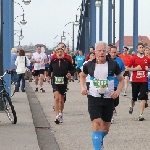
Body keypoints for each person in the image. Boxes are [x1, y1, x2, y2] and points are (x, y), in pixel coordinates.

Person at [80, 41, 124, 150]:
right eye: (99, 51)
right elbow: (82, 76)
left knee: (105, 128)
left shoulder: (113, 65)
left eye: (104, 50)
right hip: (93, 98)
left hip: (108, 99)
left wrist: (117, 91)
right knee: (96, 124)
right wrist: (83, 87)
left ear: (107, 52)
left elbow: (121, 80)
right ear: (95, 52)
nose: (102, 53)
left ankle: (99, 140)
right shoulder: (89, 65)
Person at [47, 47, 74, 124]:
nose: (59, 53)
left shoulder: (67, 61)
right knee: (57, 98)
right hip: (55, 80)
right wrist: (48, 76)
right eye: (58, 52)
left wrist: (70, 74)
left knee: (62, 100)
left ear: (63, 53)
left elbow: (72, 69)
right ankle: (56, 116)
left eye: (61, 52)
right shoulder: (53, 60)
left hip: (63, 81)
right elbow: (50, 69)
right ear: (55, 53)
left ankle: (61, 113)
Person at [126, 43, 150, 121]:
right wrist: (135, 69)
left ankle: (140, 115)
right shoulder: (133, 58)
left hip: (144, 81)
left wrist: (148, 69)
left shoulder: (147, 59)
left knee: (143, 97)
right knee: (134, 98)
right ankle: (131, 105)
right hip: (135, 80)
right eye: (140, 47)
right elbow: (127, 68)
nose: (142, 49)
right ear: (137, 49)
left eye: (142, 47)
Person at [109, 45, 125, 124]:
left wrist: (119, 75)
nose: (114, 54)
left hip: (116, 84)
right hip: (108, 84)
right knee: (109, 101)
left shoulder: (120, 60)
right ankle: (110, 117)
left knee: (116, 102)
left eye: (115, 52)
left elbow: (123, 70)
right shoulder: (106, 60)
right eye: (112, 52)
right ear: (109, 52)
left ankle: (113, 108)